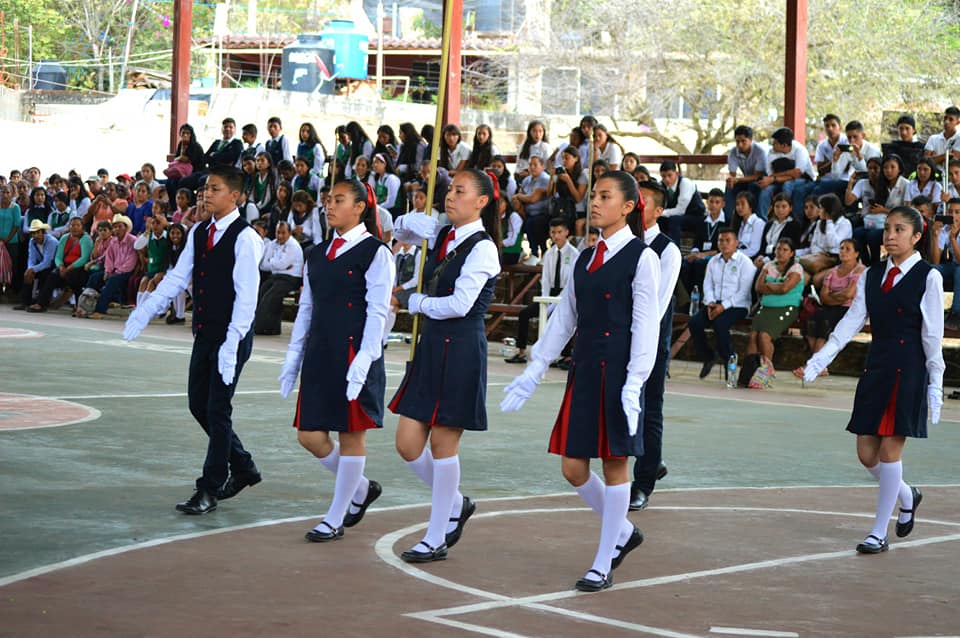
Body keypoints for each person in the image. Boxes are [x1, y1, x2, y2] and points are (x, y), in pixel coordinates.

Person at [500, 171, 660, 592]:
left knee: (614, 465)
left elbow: (647, 326)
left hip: (620, 371)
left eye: (605, 197)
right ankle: (623, 531)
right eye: (594, 196)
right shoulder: (584, 257)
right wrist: (535, 368)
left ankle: (604, 560)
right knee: (573, 467)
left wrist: (634, 383)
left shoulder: (642, 257)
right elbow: (564, 318)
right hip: (585, 369)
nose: (594, 203)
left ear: (628, 207)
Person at [123, 165, 265, 514]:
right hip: (205, 331)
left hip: (231, 333)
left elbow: (247, 297)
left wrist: (233, 343)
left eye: (214, 189)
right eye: (205, 189)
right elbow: (177, 277)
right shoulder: (200, 232)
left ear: (235, 196)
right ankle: (244, 466)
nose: (205, 194)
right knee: (198, 404)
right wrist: (146, 310)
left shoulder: (246, 238)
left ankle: (210, 487)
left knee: (218, 410)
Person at [801, 206, 943, 554]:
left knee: (890, 450)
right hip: (877, 365)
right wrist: (820, 358)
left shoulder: (929, 276)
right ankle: (908, 495)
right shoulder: (872, 274)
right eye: (887, 229)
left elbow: (932, 337)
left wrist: (935, 386)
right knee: (867, 454)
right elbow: (851, 321)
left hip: (908, 368)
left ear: (916, 236)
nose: (890, 236)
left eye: (899, 230)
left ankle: (879, 532)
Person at [387, 169, 501, 563]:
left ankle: (436, 536)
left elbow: (459, 305)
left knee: (441, 444)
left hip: (461, 348)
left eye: (459, 191)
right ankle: (455, 502)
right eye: (449, 190)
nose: (450, 197)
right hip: (432, 346)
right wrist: (407, 221)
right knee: (406, 442)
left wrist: (414, 302)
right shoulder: (442, 234)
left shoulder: (483, 248)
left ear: (482, 201)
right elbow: (395, 233)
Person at [278, 179, 394, 542]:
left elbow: (379, 312)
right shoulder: (316, 253)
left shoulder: (376, 252)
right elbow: (307, 308)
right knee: (309, 435)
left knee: (350, 436)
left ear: (360, 207)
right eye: (327, 200)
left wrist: (365, 357)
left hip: (353, 352)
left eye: (338, 200)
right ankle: (359, 489)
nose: (329, 206)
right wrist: (293, 356)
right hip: (320, 352)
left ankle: (336, 514)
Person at [630, 179, 681, 511]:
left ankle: (644, 482)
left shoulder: (667, 250)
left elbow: (656, 309)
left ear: (658, 210)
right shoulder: (624, 242)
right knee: (627, 409)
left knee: (648, 410)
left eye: (642, 202)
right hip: (623, 338)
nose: (636, 206)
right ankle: (653, 460)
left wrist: (640, 345)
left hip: (650, 341)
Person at [504, 217, 578, 364]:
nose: (556, 236)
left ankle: (566, 355)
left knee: (567, 319)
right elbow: (545, 280)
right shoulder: (549, 254)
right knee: (525, 314)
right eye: (553, 232)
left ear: (566, 232)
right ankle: (521, 351)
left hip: (565, 295)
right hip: (549, 294)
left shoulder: (574, 254)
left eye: (559, 232)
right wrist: (545, 301)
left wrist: (556, 303)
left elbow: (571, 282)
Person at [689, 228, 756, 378]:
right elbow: (707, 284)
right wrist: (711, 302)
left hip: (737, 304)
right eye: (721, 241)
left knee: (720, 324)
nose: (724, 244)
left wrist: (723, 306)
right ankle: (708, 357)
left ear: (736, 243)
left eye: (728, 240)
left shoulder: (745, 262)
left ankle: (729, 360)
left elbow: (743, 292)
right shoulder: (713, 261)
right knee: (695, 323)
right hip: (715, 302)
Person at [795, 238, 864, 371]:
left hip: (848, 309)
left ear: (856, 253)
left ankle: (813, 365)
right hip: (830, 307)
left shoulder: (859, 270)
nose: (843, 251)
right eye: (841, 248)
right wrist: (837, 297)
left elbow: (848, 295)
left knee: (825, 323)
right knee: (812, 319)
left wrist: (832, 296)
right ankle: (818, 365)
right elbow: (823, 297)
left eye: (847, 249)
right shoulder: (833, 271)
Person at [747, 238, 804, 365]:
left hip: (786, 307)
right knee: (753, 336)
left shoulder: (796, 268)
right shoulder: (769, 265)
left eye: (785, 250)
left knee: (764, 336)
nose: (780, 252)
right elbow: (758, 287)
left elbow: (785, 288)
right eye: (778, 249)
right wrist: (776, 285)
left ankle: (765, 371)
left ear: (792, 253)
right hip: (766, 307)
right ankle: (750, 369)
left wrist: (769, 284)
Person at [758, 127, 816, 222]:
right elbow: (771, 175)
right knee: (765, 190)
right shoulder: (771, 152)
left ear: (784, 145)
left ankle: (786, 218)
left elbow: (797, 173)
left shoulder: (800, 150)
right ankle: (762, 222)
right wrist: (775, 178)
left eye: (775, 143)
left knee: (787, 185)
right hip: (778, 180)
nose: (772, 145)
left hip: (804, 179)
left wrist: (775, 178)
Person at [255, 221, 304, 335]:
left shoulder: (293, 245)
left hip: (290, 278)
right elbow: (263, 265)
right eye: (278, 232)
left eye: (283, 233)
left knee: (271, 296)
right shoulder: (272, 244)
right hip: (275, 277)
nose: (280, 236)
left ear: (289, 233)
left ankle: (261, 327)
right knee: (262, 291)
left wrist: (274, 264)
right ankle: (269, 327)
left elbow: (280, 264)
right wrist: (280, 265)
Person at [85, 214, 138, 319]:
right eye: (115, 227)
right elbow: (108, 257)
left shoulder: (132, 240)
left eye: (120, 226)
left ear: (126, 228)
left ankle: (100, 310)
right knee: (94, 278)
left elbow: (131, 261)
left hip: (126, 271)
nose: (117, 229)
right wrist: (108, 271)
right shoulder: (113, 241)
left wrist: (115, 272)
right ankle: (84, 306)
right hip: (114, 270)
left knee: (113, 281)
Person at [680, 188, 726, 296]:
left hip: (716, 256)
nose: (713, 205)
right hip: (699, 256)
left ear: (723, 204)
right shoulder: (702, 221)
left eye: (717, 202)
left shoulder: (726, 222)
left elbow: (722, 249)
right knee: (684, 265)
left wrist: (702, 255)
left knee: (700, 265)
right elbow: (697, 242)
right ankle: (687, 299)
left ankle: (700, 297)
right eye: (711, 201)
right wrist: (695, 253)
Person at [725, 125, 769, 218]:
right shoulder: (733, 152)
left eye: (743, 141)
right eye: (737, 141)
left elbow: (758, 176)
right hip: (745, 180)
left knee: (753, 186)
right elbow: (732, 175)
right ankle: (730, 218)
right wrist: (731, 181)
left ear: (751, 140)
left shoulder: (760, 151)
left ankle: (753, 218)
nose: (740, 144)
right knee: (729, 187)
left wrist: (737, 180)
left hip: (761, 180)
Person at [512, 156, 551, 259]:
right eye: (530, 165)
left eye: (535, 165)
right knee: (514, 219)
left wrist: (519, 196)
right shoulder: (527, 180)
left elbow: (532, 199)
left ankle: (536, 252)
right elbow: (520, 196)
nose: (532, 167)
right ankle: (516, 253)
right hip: (527, 213)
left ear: (542, 166)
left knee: (531, 223)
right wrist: (519, 197)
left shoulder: (545, 179)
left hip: (543, 213)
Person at [658, 160, 706, 242]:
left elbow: (680, 210)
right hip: (677, 216)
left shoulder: (685, 183)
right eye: (663, 176)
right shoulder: (661, 185)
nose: (666, 179)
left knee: (674, 220)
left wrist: (660, 212)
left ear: (676, 174)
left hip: (696, 216)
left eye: (669, 175)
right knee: (659, 220)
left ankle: (675, 251)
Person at [14, 220, 58, 310]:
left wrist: (33, 269)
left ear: (43, 232)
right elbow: (31, 258)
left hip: (54, 266)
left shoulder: (51, 241)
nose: (35, 236)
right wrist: (30, 269)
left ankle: (41, 303)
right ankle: (25, 302)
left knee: (45, 275)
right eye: (33, 233)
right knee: (28, 273)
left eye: (38, 232)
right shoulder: (32, 242)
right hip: (41, 265)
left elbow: (47, 262)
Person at [754, 192, 801, 268]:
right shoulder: (769, 224)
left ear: (790, 208)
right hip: (765, 257)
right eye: (777, 206)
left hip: (780, 259)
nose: (780, 210)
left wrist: (766, 260)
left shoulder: (794, 225)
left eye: (784, 206)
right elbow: (763, 245)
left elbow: (787, 249)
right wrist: (760, 256)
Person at [923, 105, 960, 174]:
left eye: (951, 119)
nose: (946, 122)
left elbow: (953, 163)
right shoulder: (933, 138)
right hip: (934, 177)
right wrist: (945, 156)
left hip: (953, 179)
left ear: (958, 122)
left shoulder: (959, 139)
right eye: (945, 118)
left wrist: (934, 158)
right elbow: (926, 162)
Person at [732, 191, 764, 259]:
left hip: (749, 258)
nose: (739, 207)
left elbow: (754, 249)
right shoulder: (738, 223)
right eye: (737, 204)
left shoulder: (758, 223)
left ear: (750, 206)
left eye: (743, 204)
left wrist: (734, 254)